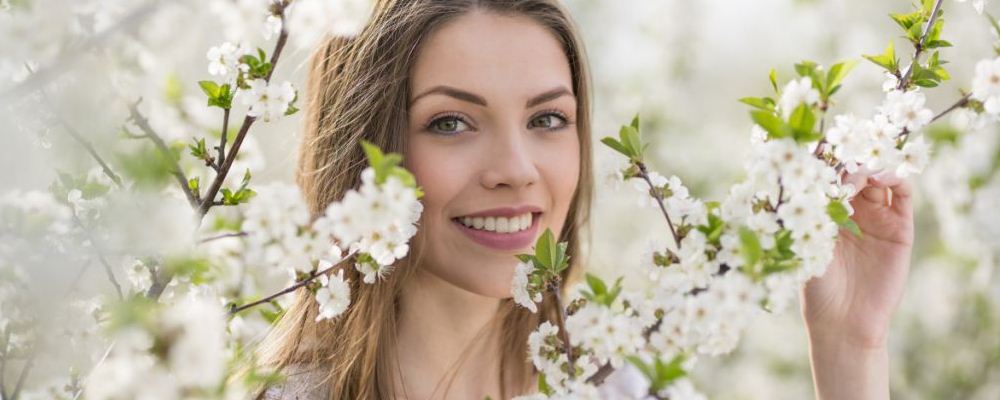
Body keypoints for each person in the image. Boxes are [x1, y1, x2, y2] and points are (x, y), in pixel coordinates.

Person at [255, 1, 915, 399]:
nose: (516, 171)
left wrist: (850, 348)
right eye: (451, 123)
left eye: (546, 119)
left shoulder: (624, 386)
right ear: (364, 153)